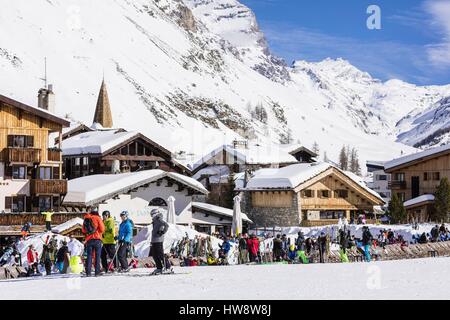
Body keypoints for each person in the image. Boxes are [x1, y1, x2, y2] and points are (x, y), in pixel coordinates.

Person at [82, 208, 105, 277]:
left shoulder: (86, 218)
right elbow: (102, 229)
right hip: (97, 239)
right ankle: (97, 272)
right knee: (97, 256)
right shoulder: (98, 218)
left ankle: (88, 272)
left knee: (89, 256)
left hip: (89, 240)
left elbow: (83, 230)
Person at [150, 208, 169, 275]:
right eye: (151, 214)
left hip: (159, 240)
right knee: (155, 255)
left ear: (155, 214)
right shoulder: (155, 220)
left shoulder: (159, 219)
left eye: (152, 214)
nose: (151, 216)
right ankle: (159, 268)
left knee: (160, 254)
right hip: (154, 240)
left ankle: (167, 267)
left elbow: (166, 225)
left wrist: (162, 232)